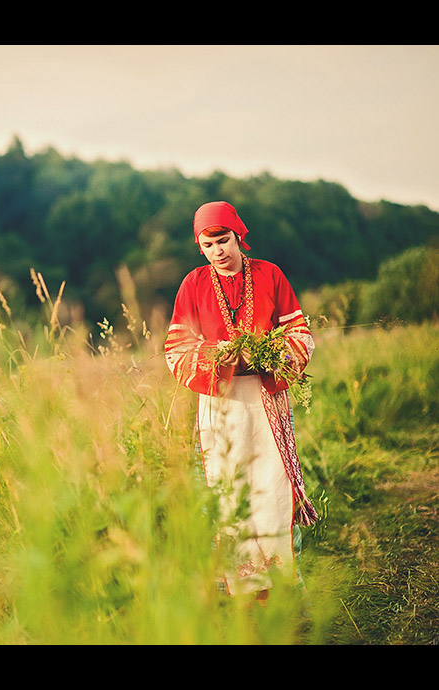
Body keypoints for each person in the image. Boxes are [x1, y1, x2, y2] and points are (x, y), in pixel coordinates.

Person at [164, 200, 318, 598]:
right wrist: (218, 357)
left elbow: (300, 334)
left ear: (239, 237)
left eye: (224, 240)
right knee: (227, 490)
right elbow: (176, 349)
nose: (218, 251)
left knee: (271, 484)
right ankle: (234, 586)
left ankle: (282, 584)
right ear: (200, 246)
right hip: (221, 405)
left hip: (267, 402)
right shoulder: (193, 285)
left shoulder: (270, 275)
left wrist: (269, 354)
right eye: (208, 243)